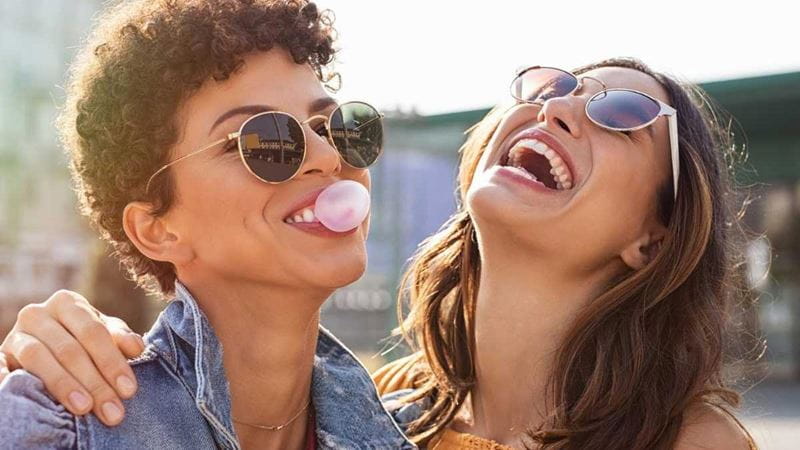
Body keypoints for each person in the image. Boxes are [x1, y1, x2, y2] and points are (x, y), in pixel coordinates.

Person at [0, 52, 756, 450]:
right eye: (549, 86)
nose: (556, 107)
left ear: (654, 237)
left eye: (620, 112)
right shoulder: (382, 415)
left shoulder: (691, 443)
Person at [0, 0, 412, 449]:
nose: (328, 157)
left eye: (334, 127)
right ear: (157, 230)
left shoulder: (416, 430)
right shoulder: (57, 429)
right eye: (266, 140)